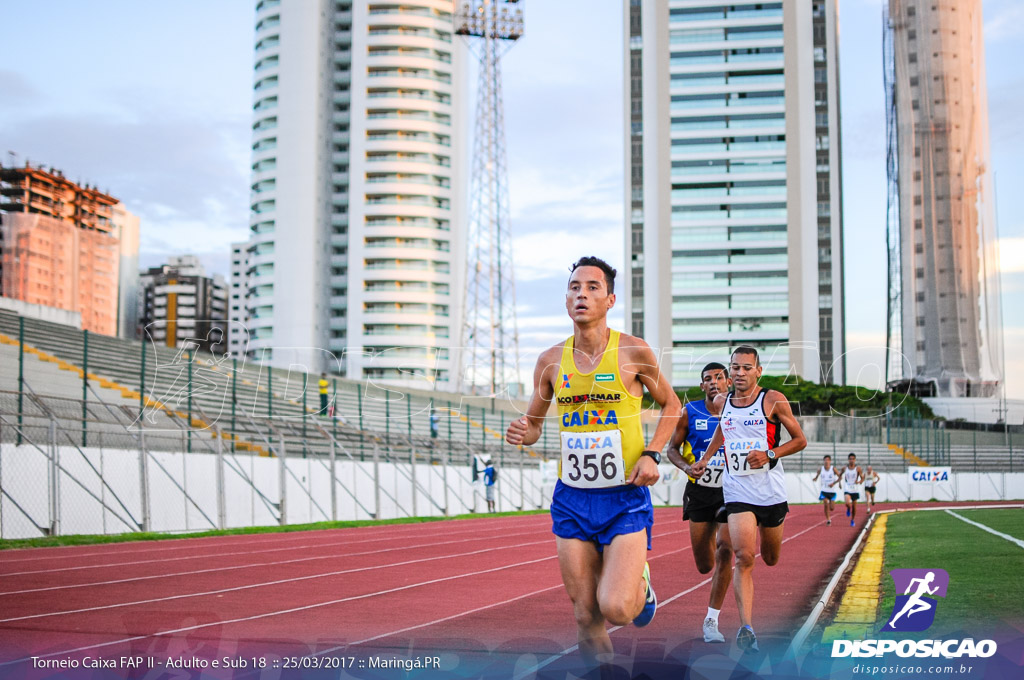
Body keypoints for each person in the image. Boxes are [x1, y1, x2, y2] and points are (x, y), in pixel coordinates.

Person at [505, 256, 681, 669]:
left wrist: (653, 454)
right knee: (585, 614)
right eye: (573, 288)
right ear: (566, 300)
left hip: (623, 497)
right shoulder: (550, 361)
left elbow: (672, 405)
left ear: (610, 299)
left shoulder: (633, 351)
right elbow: (534, 425)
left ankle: (642, 585)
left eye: (591, 287)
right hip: (572, 498)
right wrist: (522, 432)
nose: (580, 294)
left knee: (617, 608)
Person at [690, 346, 807, 654]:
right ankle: (747, 628)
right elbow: (724, 431)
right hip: (737, 490)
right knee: (743, 557)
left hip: (770, 493)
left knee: (770, 557)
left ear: (758, 372)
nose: (739, 373)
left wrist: (770, 454)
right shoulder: (721, 401)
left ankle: (746, 623)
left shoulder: (772, 400)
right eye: (735, 368)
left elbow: (800, 440)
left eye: (745, 368)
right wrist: (705, 458)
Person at [667, 362, 733, 643]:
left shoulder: (741, 412)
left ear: (728, 383)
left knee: (726, 550)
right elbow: (671, 449)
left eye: (719, 378)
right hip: (700, 491)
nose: (714, 382)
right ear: (702, 386)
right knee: (705, 564)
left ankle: (711, 620)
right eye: (708, 379)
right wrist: (685, 467)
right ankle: (713, 547)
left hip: (733, 490)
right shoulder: (689, 412)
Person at [811, 455, 839, 525]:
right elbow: (817, 476)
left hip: (832, 491)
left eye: (828, 460)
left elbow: (840, 477)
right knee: (826, 504)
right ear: (824, 461)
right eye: (825, 460)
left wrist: (834, 483)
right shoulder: (821, 469)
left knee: (832, 508)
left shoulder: (833, 469)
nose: (826, 461)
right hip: (824, 491)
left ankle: (830, 505)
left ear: (830, 461)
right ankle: (828, 519)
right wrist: (815, 478)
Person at [841, 453, 864, 527]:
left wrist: (860, 481)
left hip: (855, 489)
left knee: (854, 507)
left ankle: (852, 520)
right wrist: (838, 482)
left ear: (855, 460)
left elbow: (862, 477)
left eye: (853, 459)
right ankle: (848, 508)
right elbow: (840, 475)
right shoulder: (845, 468)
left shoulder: (858, 469)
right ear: (848, 460)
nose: (851, 460)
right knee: (847, 503)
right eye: (850, 459)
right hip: (847, 487)